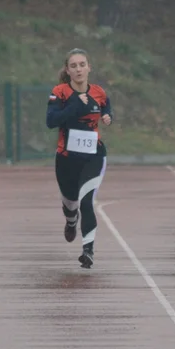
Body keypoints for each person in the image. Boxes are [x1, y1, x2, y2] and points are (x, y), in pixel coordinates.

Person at [45, 48, 113, 269]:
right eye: (73, 66)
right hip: (66, 158)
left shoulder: (99, 92)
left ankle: (88, 250)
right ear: (68, 70)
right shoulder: (60, 92)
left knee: (86, 201)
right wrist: (76, 105)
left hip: (93, 156)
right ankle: (70, 221)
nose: (78, 69)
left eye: (82, 64)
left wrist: (107, 116)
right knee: (70, 202)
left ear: (89, 67)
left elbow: (106, 106)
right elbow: (51, 121)